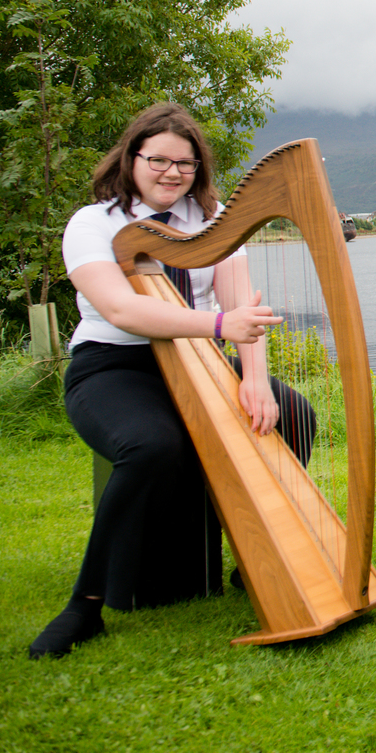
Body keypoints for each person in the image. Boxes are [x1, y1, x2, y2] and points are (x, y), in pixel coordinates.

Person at [32, 102, 306, 658]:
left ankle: (253, 560)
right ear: (132, 159)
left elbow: (241, 308)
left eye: (185, 163)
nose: (171, 172)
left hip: (200, 360)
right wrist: (220, 325)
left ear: (198, 168)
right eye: (158, 159)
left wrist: (254, 377)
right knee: (151, 445)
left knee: (292, 410)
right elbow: (122, 311)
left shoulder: (213, 220)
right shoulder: (94, 223)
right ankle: (85, 605)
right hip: (113, 366)